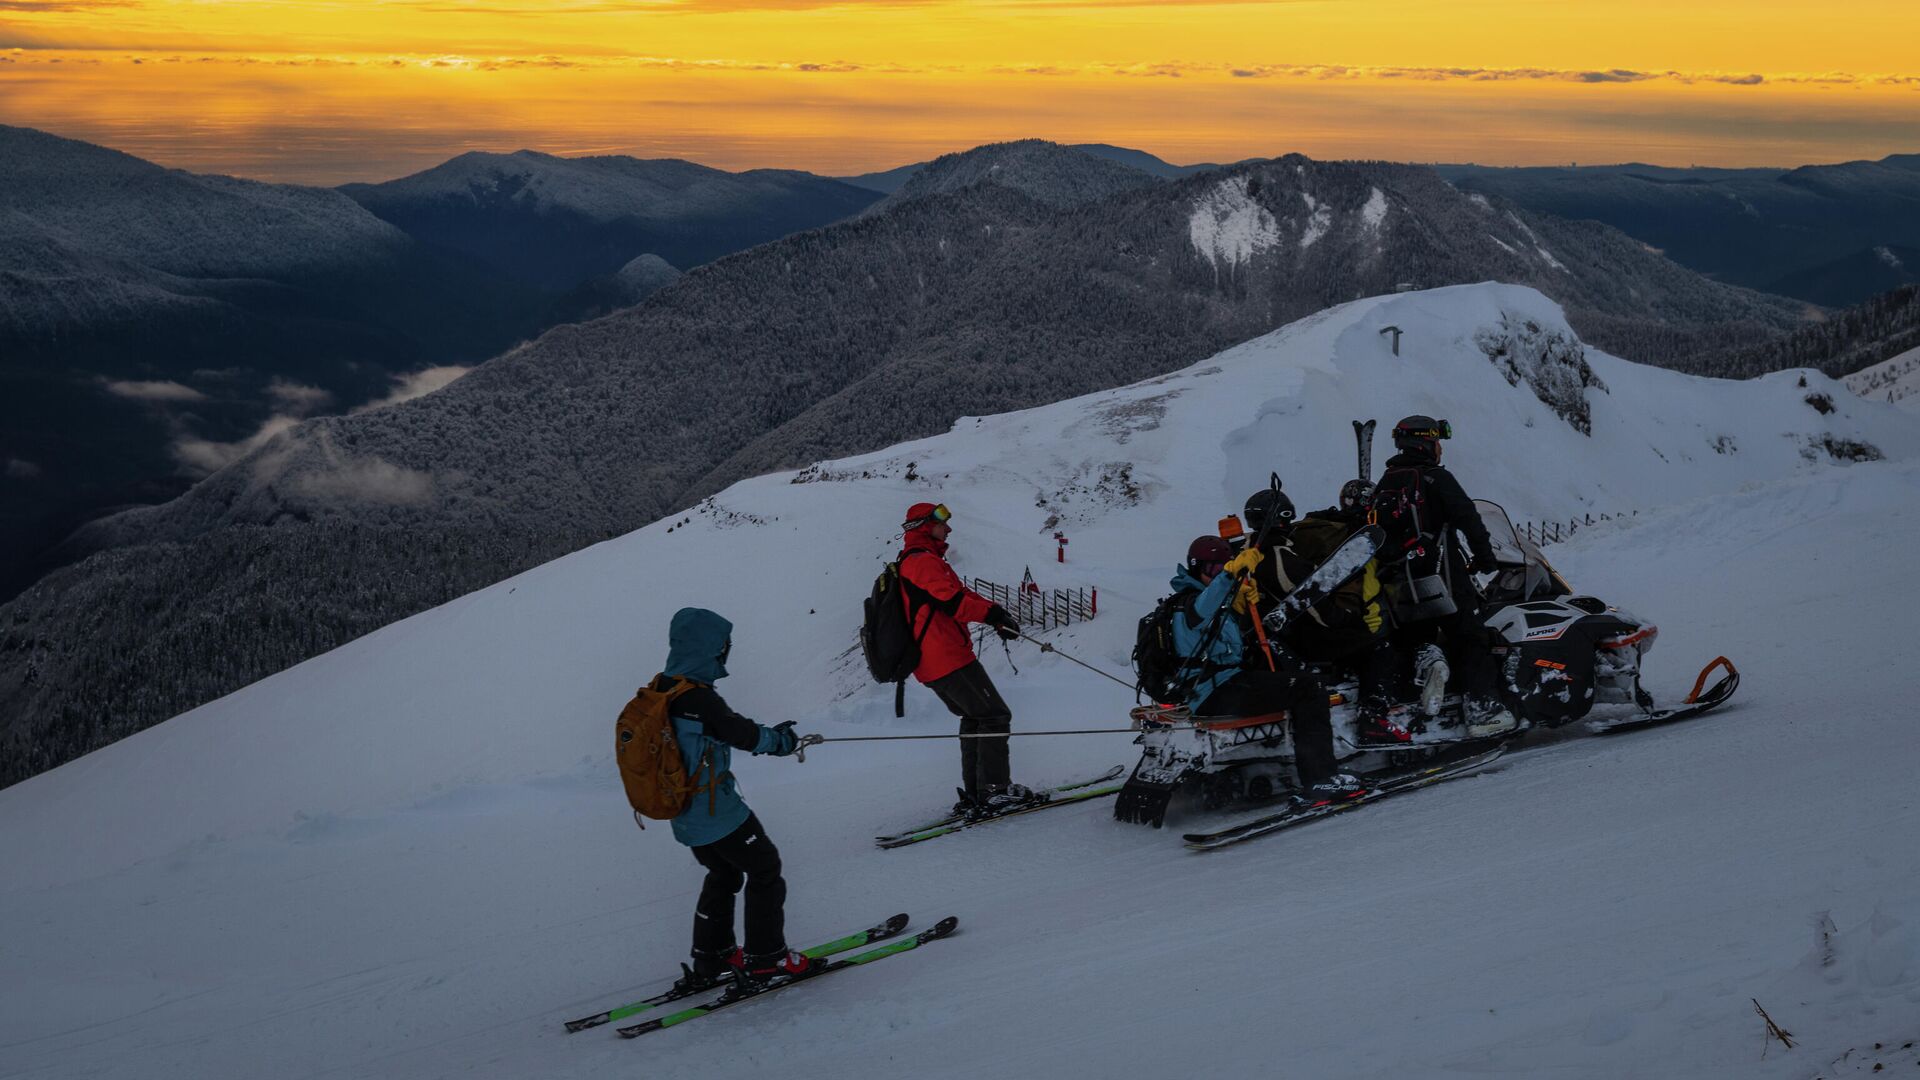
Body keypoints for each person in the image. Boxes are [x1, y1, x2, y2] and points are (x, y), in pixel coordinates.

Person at [655, 607, 811, 992]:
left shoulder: (663, 687)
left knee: (723, 873)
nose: (727, 652)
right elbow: (742, 734)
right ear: (710, 648)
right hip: (716, 811)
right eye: (724, 645)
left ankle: (714, 957)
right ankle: (766, 958)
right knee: (765, 869)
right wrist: (782, 741)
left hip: (684, 814)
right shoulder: (699, 700)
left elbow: (721, 731)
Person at [1167, 534, 1359, 803]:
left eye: (1223, 567)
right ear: (1196, 568)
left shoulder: (1207, 601)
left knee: (1288, 680)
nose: (1219, 573)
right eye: (1213, 569)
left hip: (1216, 686)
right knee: (1309, 687)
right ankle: (1321, 779)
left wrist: (1238, 606)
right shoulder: (1191, 603)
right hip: (1218, 691)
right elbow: (1202, 610)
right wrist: (1229, 576)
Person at [1370, 416, 1517, 737]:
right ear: (1425, 443)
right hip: (1443, 579)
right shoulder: (1436, 478)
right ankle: (1483, 710)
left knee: (1418, 641)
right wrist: (1485, 558)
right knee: (1472, 637)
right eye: (1437, 442)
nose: (1440, 449)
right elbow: (1469, 518)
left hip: (1397, 585)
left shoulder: (1387, 481)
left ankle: (1419, 701)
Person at [895, 502, 1031, 815]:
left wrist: (996, 614)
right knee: (995, 715)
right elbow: (954, 602)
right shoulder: (921, 563)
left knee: (977, 717)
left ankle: (978, 792)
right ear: (925, 525)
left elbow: (963, 594)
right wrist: (993, 615)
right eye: (942, 522)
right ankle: (995, 791)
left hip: (937, 659)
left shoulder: (926, 560)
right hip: (945, 657)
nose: (949, 529)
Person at [1244, 486, 1405, 746]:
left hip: (1277, 638)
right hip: (1301, 638)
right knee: (1378, 646)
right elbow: (1311, 602)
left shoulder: (1247, 552)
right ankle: (1374, 717)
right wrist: (1345, 617)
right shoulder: (1279, 557)